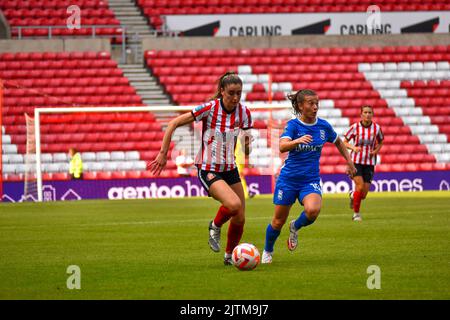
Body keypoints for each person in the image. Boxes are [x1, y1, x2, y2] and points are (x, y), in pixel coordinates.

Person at [149, 72, 253, 265]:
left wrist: (247, 145)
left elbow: (246, 148)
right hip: (208, 168)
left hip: (230, 169)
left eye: (239, 93)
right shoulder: (210, 108)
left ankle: (229, 256)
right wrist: (163, 153)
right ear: (222, 91)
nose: (235, 97)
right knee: (234, 204)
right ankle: (215, 225)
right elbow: (173, 123)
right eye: (231, 93)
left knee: (240, 218)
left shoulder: (244, 113)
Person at [262, 89, 356, 264]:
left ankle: (295, 226)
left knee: (313, 211)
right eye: (311, 103)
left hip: (310, 180)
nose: (315, 107)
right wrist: (296, 141)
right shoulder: (293, 126)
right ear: (300, 105)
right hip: (288, 180)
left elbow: (338, 141)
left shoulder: (324, 126)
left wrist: (349, 161)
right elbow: (282, 147)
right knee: (277, 221)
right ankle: (268, 251)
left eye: (317, 103)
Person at [343, 105, 384, 222]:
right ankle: (356, 214)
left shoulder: (377, 128)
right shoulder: (355, 127)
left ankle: (352, 195)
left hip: (370, 163)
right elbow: (344, 142)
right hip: (356, 161)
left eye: (370, 112)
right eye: (365, 112)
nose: (367, 114)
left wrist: (376, 151)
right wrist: (353, 147)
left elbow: (381, 141)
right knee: (360, 187)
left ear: (372, 114)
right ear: (361, 114)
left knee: (363, 194)